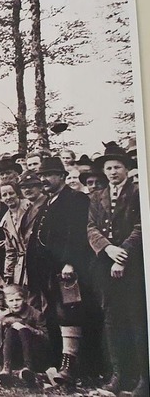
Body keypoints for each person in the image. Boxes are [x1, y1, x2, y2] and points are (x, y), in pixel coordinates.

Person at [87, 142, 148, 395]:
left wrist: (121, 255)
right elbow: (91, 228)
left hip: (133, 266)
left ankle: (143, 379)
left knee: (136, 319)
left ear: (127, 168)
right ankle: (118, 375)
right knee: (112, 320)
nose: (113, 172)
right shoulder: (97, 197)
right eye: (109, 168)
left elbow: (140, 226)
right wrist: (107, 249)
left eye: (117, 167)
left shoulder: (137, 192)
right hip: (105, 266)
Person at [28, 156, 91, 384]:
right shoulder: (48, 202)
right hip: (48, 271)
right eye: (41, 176)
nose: (43, 180)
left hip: (67, 270)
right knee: (54, 316)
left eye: (48, 175)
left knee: (70, 314)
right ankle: (55, 366)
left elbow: (77, 234)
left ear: (62, 176)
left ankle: (72, 367)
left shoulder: (76, 199)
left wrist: (70, 262)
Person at [0, 284, 48, 387]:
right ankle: (6, 367)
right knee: (11, 331)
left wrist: (25, 327)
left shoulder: (36, 314)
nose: (15, 304)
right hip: (16, 353)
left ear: (24, 299)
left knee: (23, 331)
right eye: (11, 301)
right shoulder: (4, 316)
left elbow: (45, 337)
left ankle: (28, 368)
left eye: (18, 300)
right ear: (6, 302)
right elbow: (2, 338)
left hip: (35, 353)